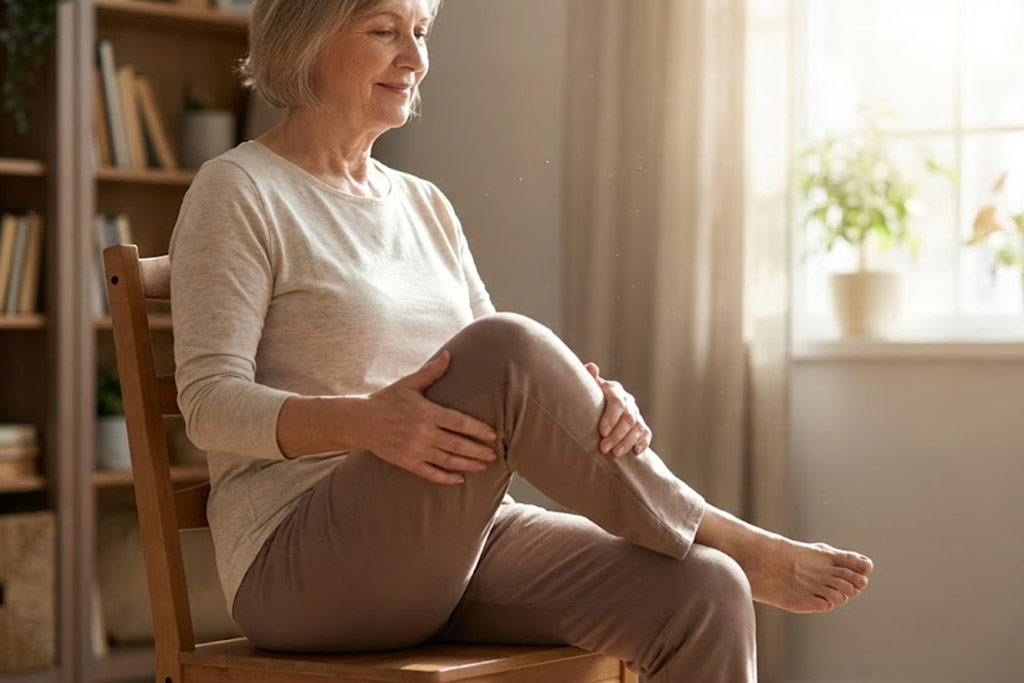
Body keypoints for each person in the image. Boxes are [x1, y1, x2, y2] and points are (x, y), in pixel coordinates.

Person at [168, 1, 873, 681]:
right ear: (308, 37)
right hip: (305, 566)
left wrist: (591, 399)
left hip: (453, 544)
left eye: (421, 31)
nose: (415, 58)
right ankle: (724, 531)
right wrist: (368, 422)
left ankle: (719, 550)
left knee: (706, 591)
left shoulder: (423, 205)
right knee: (508, 349)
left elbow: (508, 385)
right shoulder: (238, 190)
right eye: (386, 31)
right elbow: (209, 404)